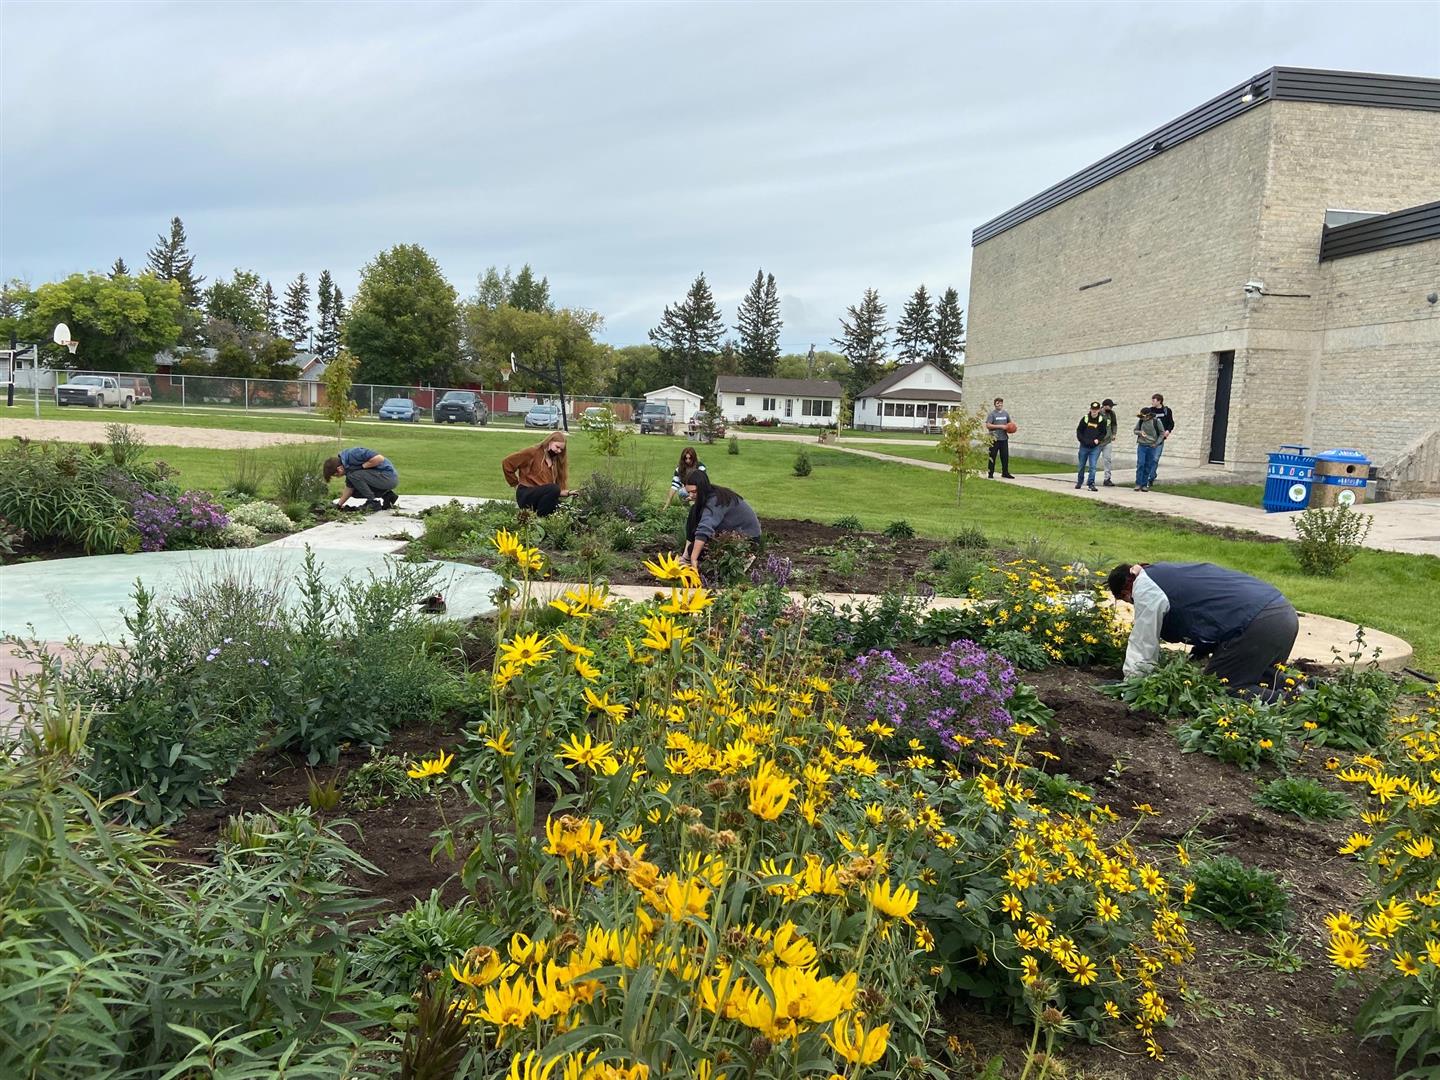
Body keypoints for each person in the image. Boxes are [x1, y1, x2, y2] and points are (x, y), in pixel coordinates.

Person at [1107, 562, 1299, 695]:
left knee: (1222, 687)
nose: (1132, 604)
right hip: (1283, 614)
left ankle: (1292, 702)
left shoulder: (1144, 586)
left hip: (1258, 624)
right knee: (1264, 678)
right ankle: (1306, 690)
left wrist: (1133, 682)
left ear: (1126, 590)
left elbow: (1143, 640)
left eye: (1128, 600)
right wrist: (1198, 653)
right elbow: (1207, 610)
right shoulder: (1168, 573)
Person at [682, 468, 761, 570]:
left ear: (702, 488)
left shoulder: (715, 500)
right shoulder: (709, 493)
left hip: (749, 539)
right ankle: (686, 558)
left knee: (697, 550)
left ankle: (744, 558)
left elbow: (705, 529)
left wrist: (693, 558)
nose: (691, 496)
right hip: (732, 532)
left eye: (694, 492)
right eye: (688, 492)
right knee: (694, 510)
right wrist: (687, 556)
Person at [501, 432, 578, 517]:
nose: (559, 451)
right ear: (549, 442)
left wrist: (568, 493)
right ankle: (540, 519)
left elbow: (549, 491)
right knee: (553, 488)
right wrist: (515, 484)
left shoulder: (555, 461)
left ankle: (545, 520)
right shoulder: (533, 452)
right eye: (557, 447)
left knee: (565, 508)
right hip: (526, 494)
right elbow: (507, 463)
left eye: (561, 449)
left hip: (541, 496)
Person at [324, 447, 398, 510]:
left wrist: (362, 467)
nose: (338, 477)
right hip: (380, 479)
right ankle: (387, 495)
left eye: (336, 475)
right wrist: (338, 505)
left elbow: (379, 458)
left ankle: (372, 502)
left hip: (388, 476)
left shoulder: (354, 453)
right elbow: (349, 489)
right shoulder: (348, 468)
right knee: (354, 490)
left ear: (339, 469)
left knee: (354, 475)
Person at [1134, 406, 1166, 491]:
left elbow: (1162, 433)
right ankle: (1138, 483)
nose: (1143, 418)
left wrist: (1156, 443)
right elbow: (1135, 430)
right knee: (1141, 464)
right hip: (1142, 445)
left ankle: (1144, 484)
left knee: (1148, 465)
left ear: (1149, 416)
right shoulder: (1141, 421)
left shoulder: (1156, 421)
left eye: (1144, 416)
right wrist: (1140, 433)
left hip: (1152, 446)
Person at [1075, 401, 1104, 491]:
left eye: (1096, 409)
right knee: (1081, 465)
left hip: (1094, 448)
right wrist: (1082, 440)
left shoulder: (1101, 420)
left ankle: (1091, 483)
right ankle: (1079, 482)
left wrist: (1098, 440)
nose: (1094, 411)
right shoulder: (1085, 418)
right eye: (1093, 409)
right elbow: (1079, 431)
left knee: (1093, 466)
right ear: (1090, 409)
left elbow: (1103, 432)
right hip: (1084, 446)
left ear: (1099, 410)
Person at [984, 397, 1015, 479]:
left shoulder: (1005, 414)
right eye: (998, 403)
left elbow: (1009, 424)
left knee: (1005, 457)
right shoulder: (992, 414)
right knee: (992, 457)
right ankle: (990, 473)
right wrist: (1000, 426)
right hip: (994, 439)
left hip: (1004, 439)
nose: (999, 404)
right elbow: (988, 425)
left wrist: (1011, 428)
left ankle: (1005, 473)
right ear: (995, 404)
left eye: (1001, 403)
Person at [1149, 393, 1176, 486]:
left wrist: (1168, 431)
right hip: (1150, 438)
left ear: (1159, 401)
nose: (1152, 402)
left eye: (1154, 400)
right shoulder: (1150, 411)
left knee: (1155, 458)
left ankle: (1151, 478)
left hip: (1160, 438)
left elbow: (1171, 423)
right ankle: (1151, 475)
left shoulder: (1166, 411)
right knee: (1150, 458)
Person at [1097, 399, 1118, 487]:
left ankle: (1107, 479)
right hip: (1097, 442)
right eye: (1110, 406)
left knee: (1107, 460)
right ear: (1104, 406)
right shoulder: (1097, 413)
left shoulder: (1111, 414)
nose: (1111, 408)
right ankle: (1091, 478)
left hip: (1107, 441)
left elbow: (1114, 424)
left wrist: (1114, 433)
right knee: (1093, 460)